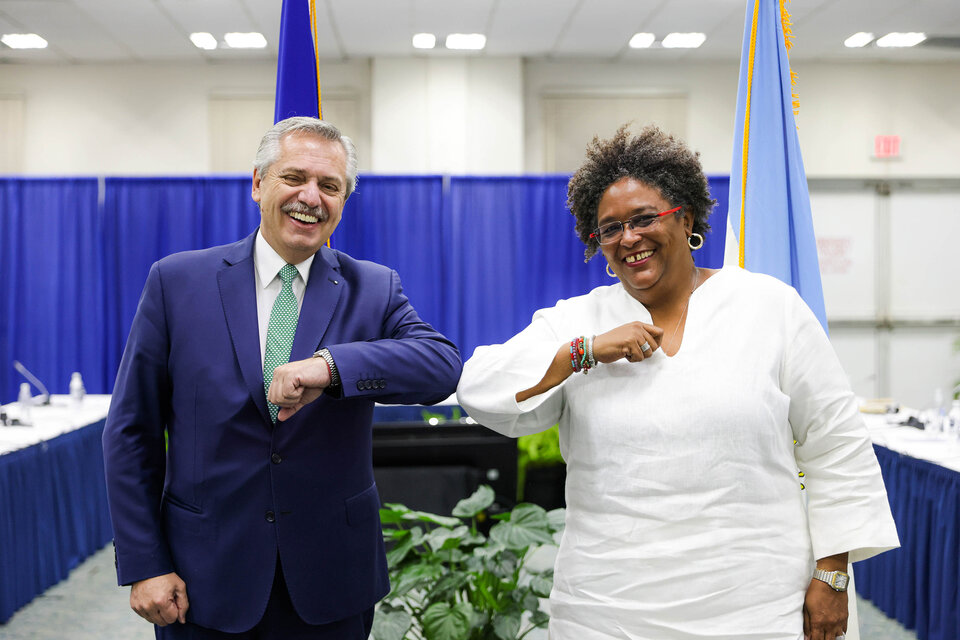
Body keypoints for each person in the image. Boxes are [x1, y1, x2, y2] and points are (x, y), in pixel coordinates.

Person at [456, 125, 899, 640]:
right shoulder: (581, 319)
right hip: (606, 608)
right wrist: (585, 351)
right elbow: (479, 388)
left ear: (686, 218)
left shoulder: (768, 307)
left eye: (644, 219)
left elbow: (836, 447)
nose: (628, 238)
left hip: (756, 603)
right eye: (610, 228)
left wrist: (832, 575)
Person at [102, 116, 462, 639]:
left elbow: (440, 365)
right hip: (203, 580)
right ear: (257, 183)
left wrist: (331, 367)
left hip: (331, 582)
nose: (310, 197)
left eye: (330, 186)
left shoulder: (374, 288)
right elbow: (131, 432)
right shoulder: (176, 283)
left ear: (343, 201)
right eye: (294, 177)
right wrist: (144, 563)